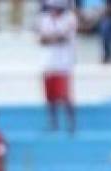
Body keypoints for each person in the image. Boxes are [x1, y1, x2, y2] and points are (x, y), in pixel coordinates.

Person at [37, 0, 78, 134]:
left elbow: (64, 37)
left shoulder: (70, 18)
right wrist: (54, 37)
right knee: (50, 97)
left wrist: (51, 38)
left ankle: (71, 123)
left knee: (66, 97)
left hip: (63, 64)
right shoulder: (44, 18)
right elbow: (41, 39)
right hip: (48, 63)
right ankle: (53, 123)